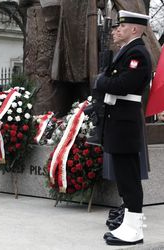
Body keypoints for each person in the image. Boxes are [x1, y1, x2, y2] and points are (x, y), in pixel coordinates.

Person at [95, 10, 152, 246]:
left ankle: (135, 229)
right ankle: (129, 225)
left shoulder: (137, 52)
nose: (119, 29)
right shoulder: (128, 51)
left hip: (125, 124)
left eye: (124, 25)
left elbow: (122, 84)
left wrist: (100, 81)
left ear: (135, 30)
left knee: (129, 179)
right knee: (125, 178)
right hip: (119, 123)